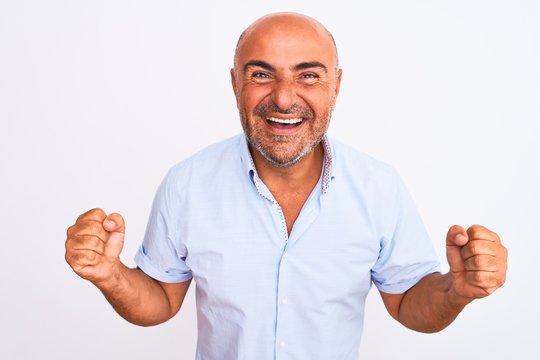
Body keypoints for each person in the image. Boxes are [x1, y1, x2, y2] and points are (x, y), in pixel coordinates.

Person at [65, 12, 508, 360]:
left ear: (337, 85)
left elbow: (409, 303)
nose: (282, 97)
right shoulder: (188, 184)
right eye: (261, 74)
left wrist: (456, 289)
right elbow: (161, 297)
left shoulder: (379, 188)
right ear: (234, 83)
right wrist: (112, 275)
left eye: (308, 75)